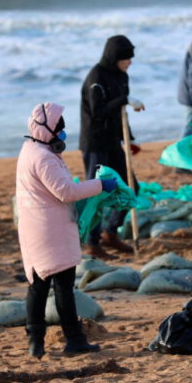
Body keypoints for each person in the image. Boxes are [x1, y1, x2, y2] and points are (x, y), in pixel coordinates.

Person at [17, 102, 115, 358]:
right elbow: (66, 191)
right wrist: (100, 185)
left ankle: (35, 343)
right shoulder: (43, 158)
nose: (62, 134)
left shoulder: (31, 150)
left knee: (38, 284)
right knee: (62, 285)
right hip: (51, 230)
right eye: (60, 129)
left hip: (38, 227)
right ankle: (74, 339)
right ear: (48, 130)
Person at [80, 34, 144, 259]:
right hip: (95, 142)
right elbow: (98, 111)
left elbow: (119, 113)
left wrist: (131, 139)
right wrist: (124, 100)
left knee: (131, 187)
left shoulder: (121, 76)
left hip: (113, 141)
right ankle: (92, 242)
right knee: (96, 192)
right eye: (126, 58)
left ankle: (111, 232)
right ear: (114, 57)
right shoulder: (96, 77)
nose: (130, 62)